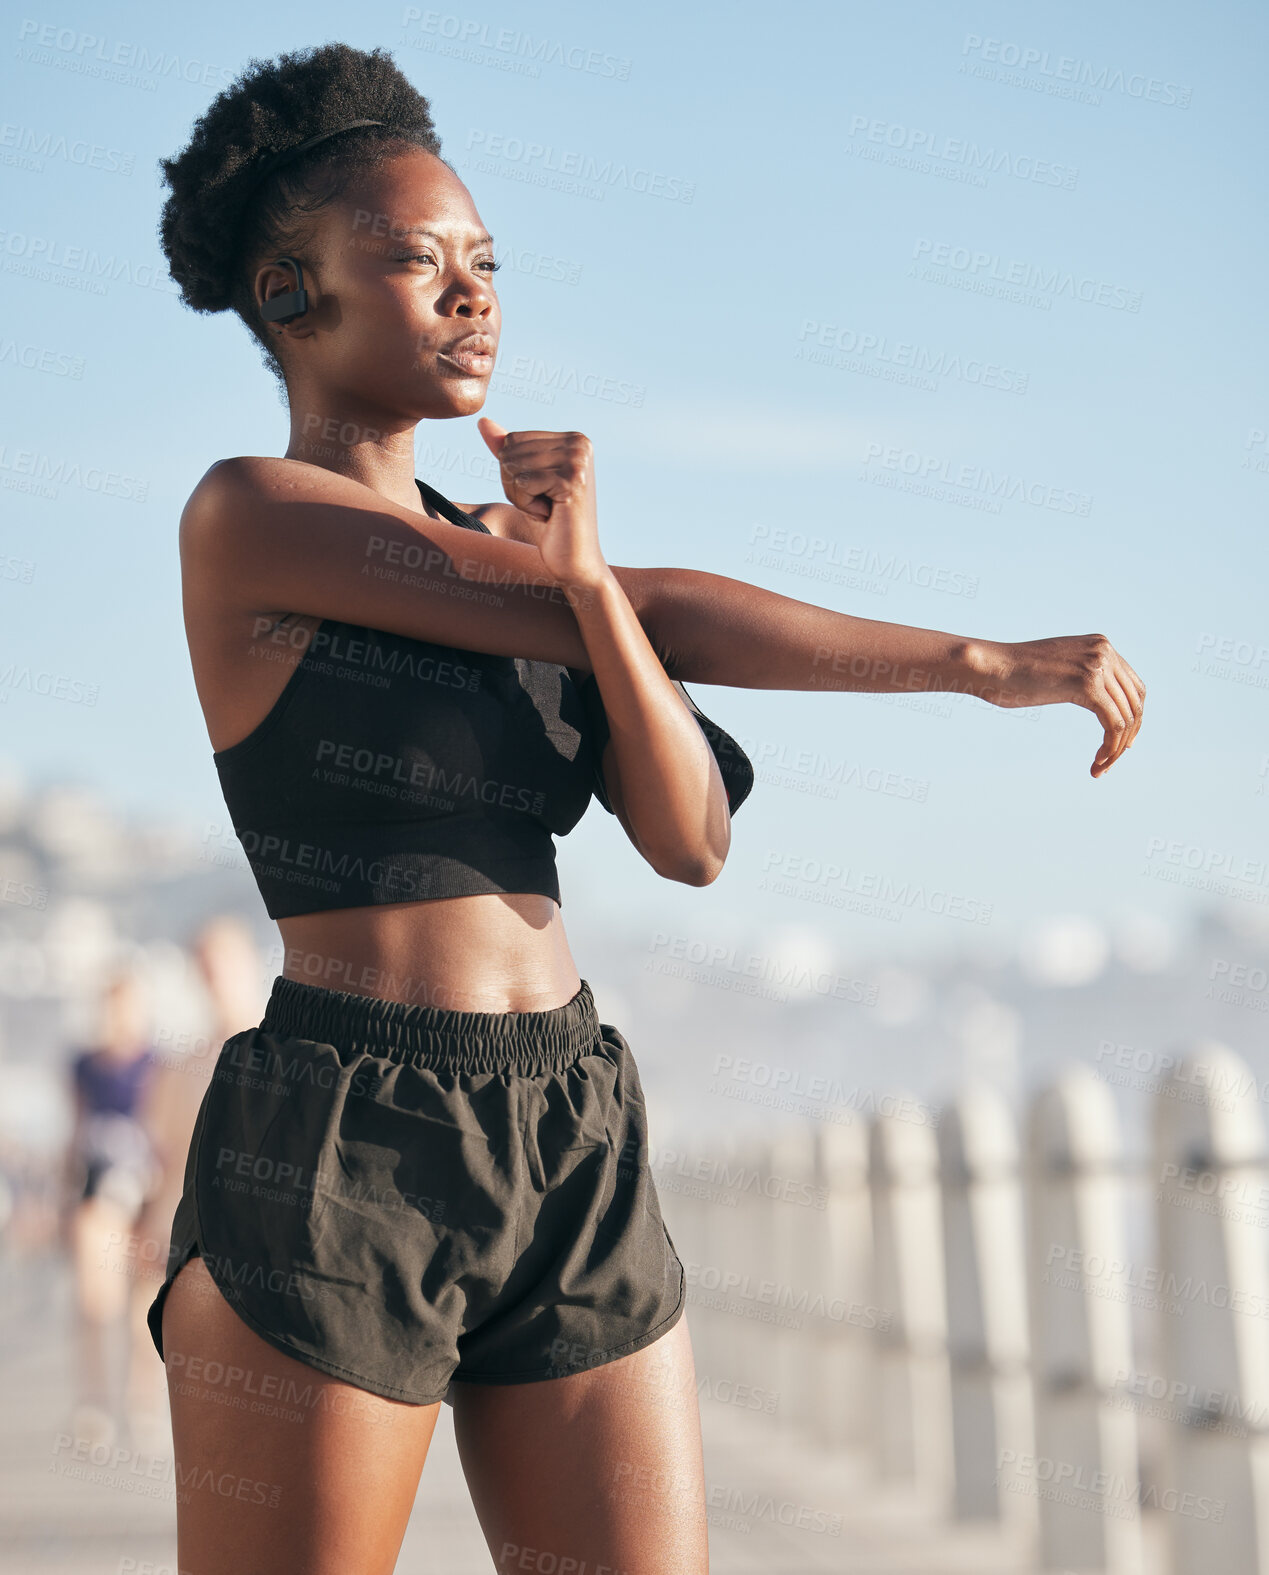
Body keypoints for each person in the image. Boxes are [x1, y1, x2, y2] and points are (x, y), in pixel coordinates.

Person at [144, 42, 1145, 1575]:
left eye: (489, 263)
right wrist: (975, 661)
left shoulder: (532, 570)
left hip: (570, 1114)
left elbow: (688, 840)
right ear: (291, 298)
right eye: (420, 262)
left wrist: (591, 585)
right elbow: (623, 609)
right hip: (345, 1130)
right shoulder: (252, 518)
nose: (476, 295)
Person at [62, 965, 159, 1446]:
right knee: (94, 1303)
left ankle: (141, 1404)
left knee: (143, 1306)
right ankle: (95, 1401)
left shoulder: (156, 1063)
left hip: (145, 1190)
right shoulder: (83, 1064)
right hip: (98, 1188)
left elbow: (164, 1131)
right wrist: (62, 1199)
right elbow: (75, 1132)